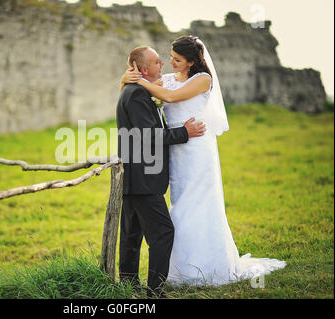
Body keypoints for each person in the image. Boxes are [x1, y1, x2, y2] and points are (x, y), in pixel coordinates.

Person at [121, 36, 286, 286]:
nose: (170, 62)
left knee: (200, 204)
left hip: (196, 147)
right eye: (169, 57)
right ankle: (182, 268)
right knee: (182, 207)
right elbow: (145, 92)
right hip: (175, 149)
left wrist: (139, 80)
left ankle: (210, 266)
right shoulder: (167, 79)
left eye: (177, 59)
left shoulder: (202, 80)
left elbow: (169, 97)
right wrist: (126, 79)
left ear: (191, 61)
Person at [116, 46, 206, 296]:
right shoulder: (136, 95)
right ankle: (154, 292)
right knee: (163, 233)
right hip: (144, 176)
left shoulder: (135, 90)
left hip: (134, 175)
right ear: (144, 69)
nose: (162, 65)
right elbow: (148, 136)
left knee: (132, 235)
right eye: (157, 62)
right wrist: (184, 133)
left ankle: (127, 285)